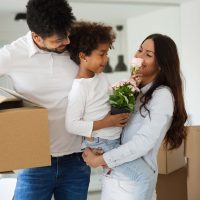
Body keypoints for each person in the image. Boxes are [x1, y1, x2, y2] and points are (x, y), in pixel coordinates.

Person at [0, 1, 128, 199]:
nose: (67, 41)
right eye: (59, 40)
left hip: (76, 161)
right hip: (34, 164)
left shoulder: (75, 46)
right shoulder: (11, 55)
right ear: (36, 37)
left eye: (68, 34)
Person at [83, 33, 188, 200]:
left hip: (133, 187)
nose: (139, 56)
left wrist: (102, 159)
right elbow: (114, 129)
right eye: (140, 50)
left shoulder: (162, 96)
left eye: (148, 55)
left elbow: (143, 143)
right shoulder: (133, 90)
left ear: (161, 64)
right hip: (113, 180)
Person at [65, 21, 129, 156]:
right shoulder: (80, 87)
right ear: (83, 56)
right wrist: (108, 122)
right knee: (142, 176)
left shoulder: (100, 77)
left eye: (106, 54)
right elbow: (71, 125)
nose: (106, 59)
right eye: (101, 54)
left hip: (113, 139)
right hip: (102, 143)